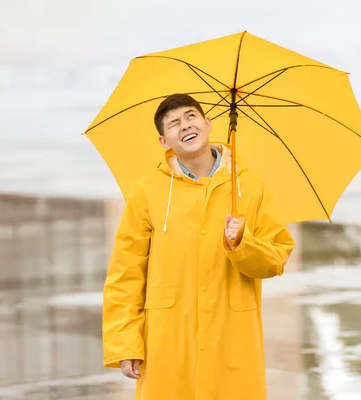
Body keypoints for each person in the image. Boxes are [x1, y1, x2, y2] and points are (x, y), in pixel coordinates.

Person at [102, 93, 296, 399]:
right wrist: (126, 342)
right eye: (174, 124)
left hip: (232, 336)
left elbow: (275, 259)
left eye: (191, 117)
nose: (185, 126)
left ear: (207, 124)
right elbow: (125, 274)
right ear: (164, 141)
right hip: (168, 338)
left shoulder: (247, 185)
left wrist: (242, 243)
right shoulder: (148, 191)